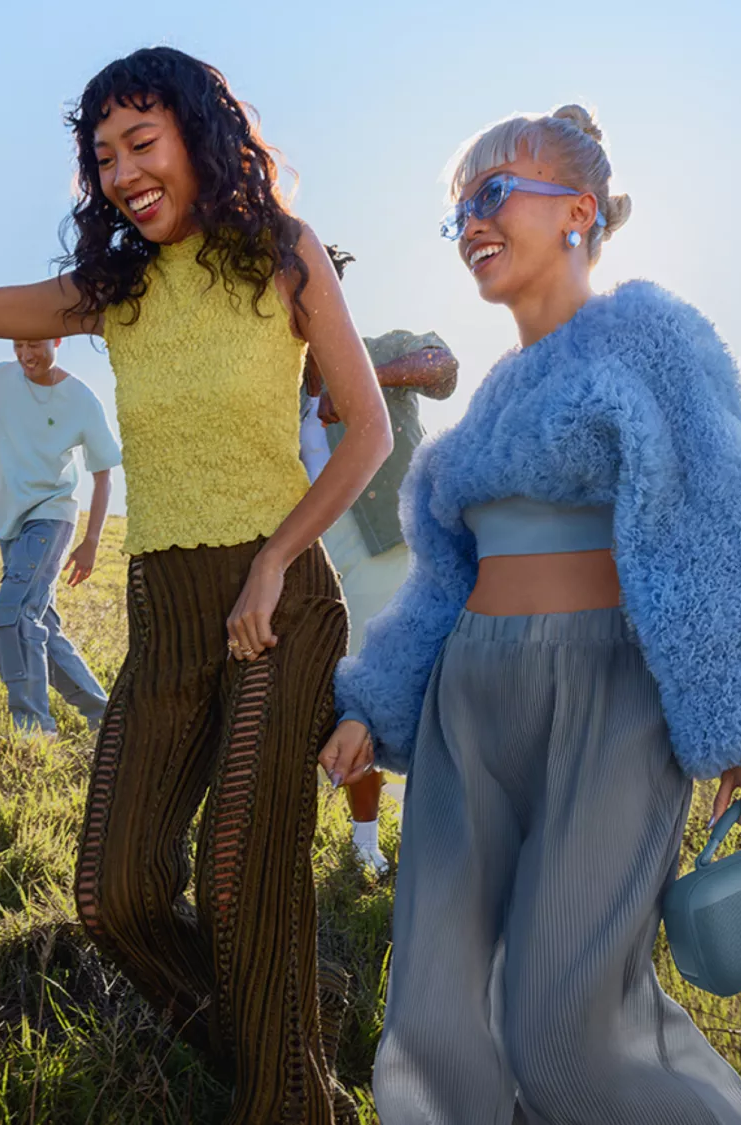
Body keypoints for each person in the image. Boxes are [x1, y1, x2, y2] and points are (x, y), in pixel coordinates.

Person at [0, 50, 390, 1124]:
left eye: (142, 142)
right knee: (113, 893)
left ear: (199, 137)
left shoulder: (281, 252)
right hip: (166, 614)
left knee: (237, 882)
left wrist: (274, 558)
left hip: (282, 601)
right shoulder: (115, 289)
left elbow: (367, 430)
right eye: (104, 155)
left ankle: (284, 1101)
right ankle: (285, 1054)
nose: (123, 171)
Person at [320, 105, 741, 1124]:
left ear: (578, 211)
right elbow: (440, 582)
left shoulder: (652, 336)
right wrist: (376, 709)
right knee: (438, 1013)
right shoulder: (496, 397)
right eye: (457, 207)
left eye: (493, 192)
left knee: (566, 1025)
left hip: (607, 702)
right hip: (468, 707)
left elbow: (725, 521)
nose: (471, 218)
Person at [298, 246, 461, 876]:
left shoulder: (384, 345)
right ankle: (364, 840)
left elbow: (442, 366)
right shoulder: (279, 389)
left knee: (426, 697)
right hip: (318, 567)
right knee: (348, 702)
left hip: (393, 552)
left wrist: (360, 381)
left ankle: (435, 840)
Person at [0, 338, 120, 738]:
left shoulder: (81, 399)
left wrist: (91, 541)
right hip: (11, 522)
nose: (26, 355)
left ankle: (33, 727)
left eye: (35, 344)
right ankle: (108, 718)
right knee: (40, 625)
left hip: (53, 516)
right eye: (18, 346)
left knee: (14, 618)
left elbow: (103, 472)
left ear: (57, 339)